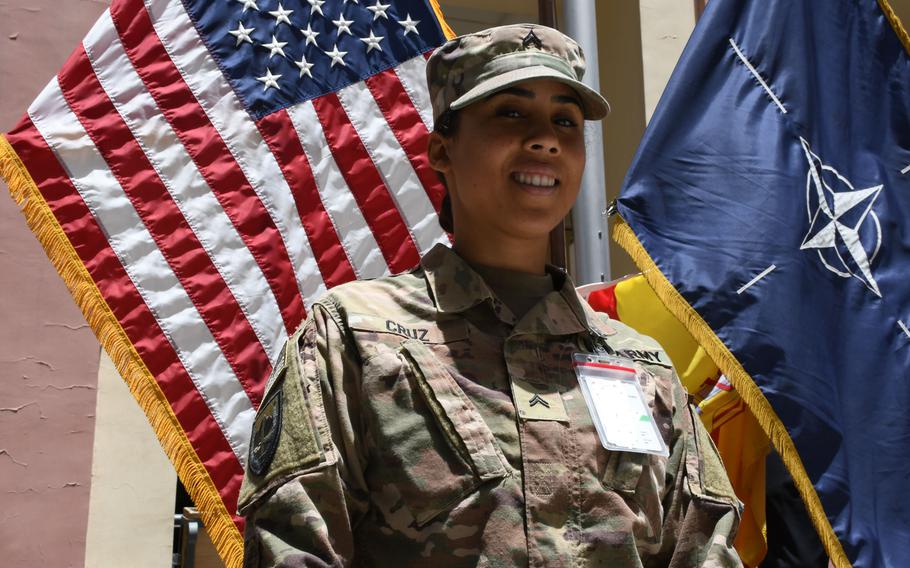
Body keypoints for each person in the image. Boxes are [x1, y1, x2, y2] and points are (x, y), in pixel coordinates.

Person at [238, 24, 743, 567]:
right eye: (511, 113)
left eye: (565, 122)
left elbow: (703, 548)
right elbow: (293, 549)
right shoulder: (352, 335)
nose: (546, 139)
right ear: (441, 150)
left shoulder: (642, 365)